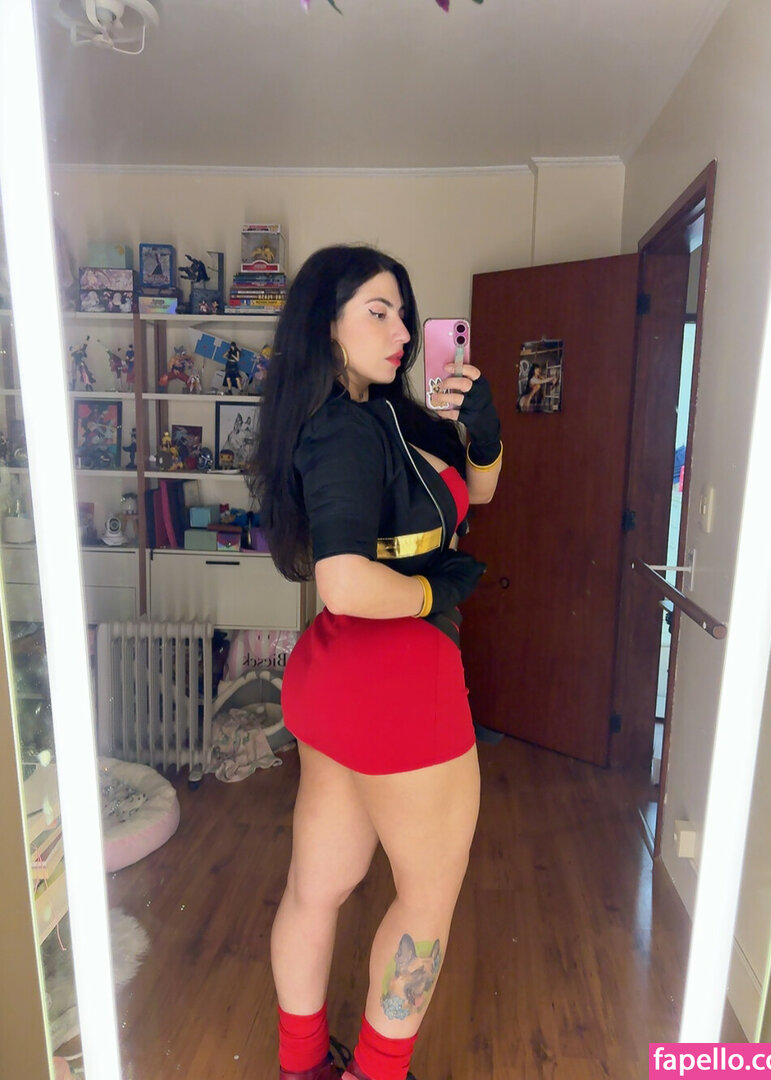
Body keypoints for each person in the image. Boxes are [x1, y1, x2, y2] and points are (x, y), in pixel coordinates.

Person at [249, 245, 503, 1080]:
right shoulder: (342, 430)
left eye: (402, 313)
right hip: (399, 687)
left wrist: (483, 435)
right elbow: (346, 582)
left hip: (338, 684)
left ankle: (301, 1066)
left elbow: (479, 490)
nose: (399, 331)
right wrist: (432, 593)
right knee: (426, 904)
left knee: (317, 885)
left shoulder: (387, 413)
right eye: (376, 311)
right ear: (327, 327)